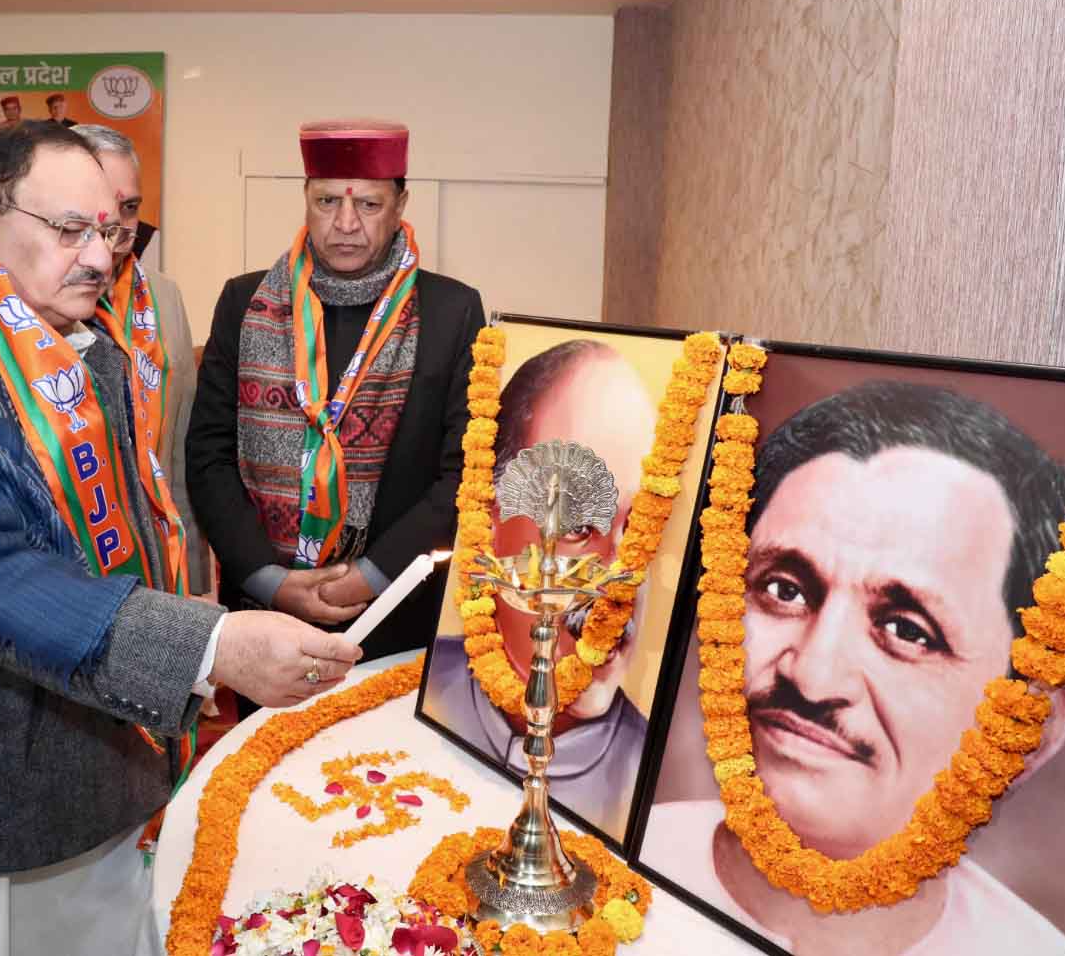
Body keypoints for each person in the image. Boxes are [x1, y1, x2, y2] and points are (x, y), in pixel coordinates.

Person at [0, 121, 359, 956]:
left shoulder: (85, 353)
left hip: (104, 775)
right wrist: (213, 645)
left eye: (111, 231)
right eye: (70, 229)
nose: (102, 257)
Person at [644, 382, 1065, 955]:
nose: (812, 676)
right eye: (785, 590)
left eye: (907, 630)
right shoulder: (610, 856)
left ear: (1031, 726)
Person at [188, 120, 484, 664]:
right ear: (305, 200)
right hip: (267, 616)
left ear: (400, 205)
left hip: (400, 604)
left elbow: (463, 470)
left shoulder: (452, 311)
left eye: (368, 205)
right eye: (327, 201)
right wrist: (268, 579)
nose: (345, 224)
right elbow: (208, 455)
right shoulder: (244, 302)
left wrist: (370, 576)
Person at [424, 339, 655, 835]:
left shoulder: (659, 793)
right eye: (575, 529)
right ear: (488, 525)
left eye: (639, 531)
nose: (615, 576)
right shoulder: (437, 699)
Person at [72, 123, 208, 593]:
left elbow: (182, 444)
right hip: (74, 566)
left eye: (131, 206)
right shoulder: (34, 300)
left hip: (159, 565)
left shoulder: (165, 297)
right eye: (105, 204)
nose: (120, 223)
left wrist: (193, 575)